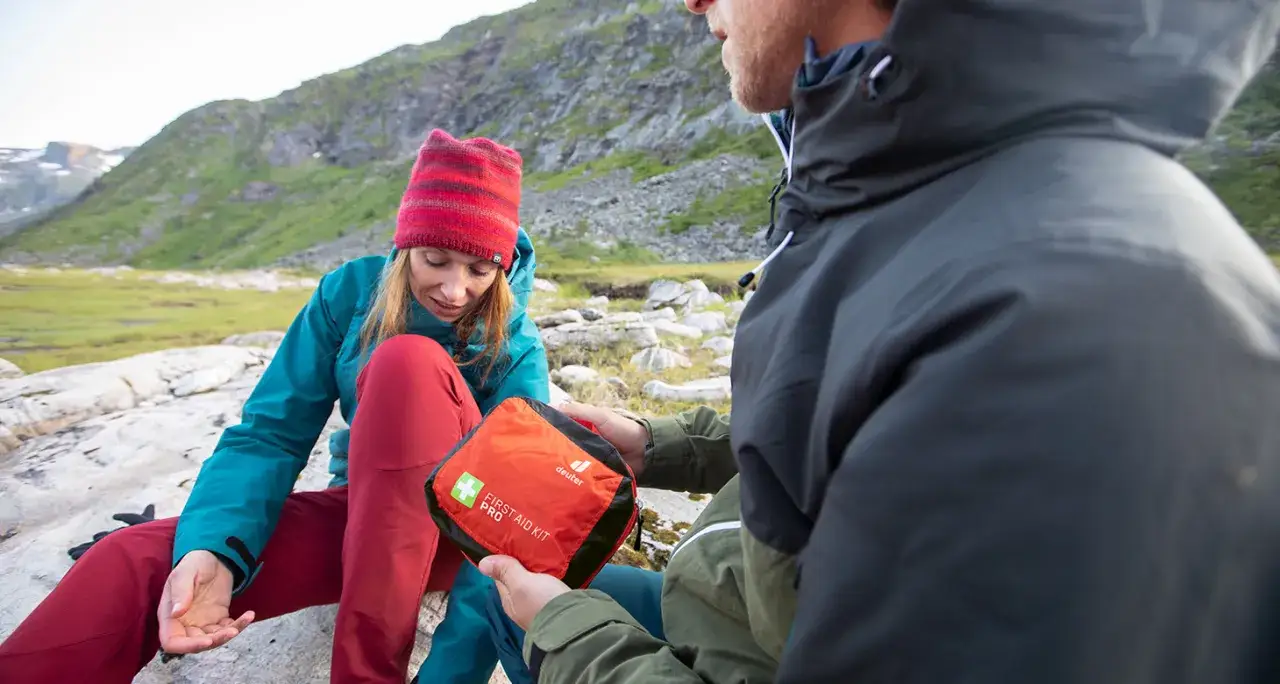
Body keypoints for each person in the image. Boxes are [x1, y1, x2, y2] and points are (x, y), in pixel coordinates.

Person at [479, 0, 1280, 683]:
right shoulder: (940, 208)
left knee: (521, 601)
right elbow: (858, 434)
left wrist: (574, 637)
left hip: (739, 637)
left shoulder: (1055, 317)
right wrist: (663, 446)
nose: (689, 2)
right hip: (732, 603)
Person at [0, 128, 552, 684]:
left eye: (479, 270)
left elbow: (514, 514)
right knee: (135, 562)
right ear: (408, 244)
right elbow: (271, 432)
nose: (455, 290)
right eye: (436, 260)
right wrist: (213, 549)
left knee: (405, 363)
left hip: (465, 541)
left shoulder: (518, 341)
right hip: (364, 514)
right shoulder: (350, 294)